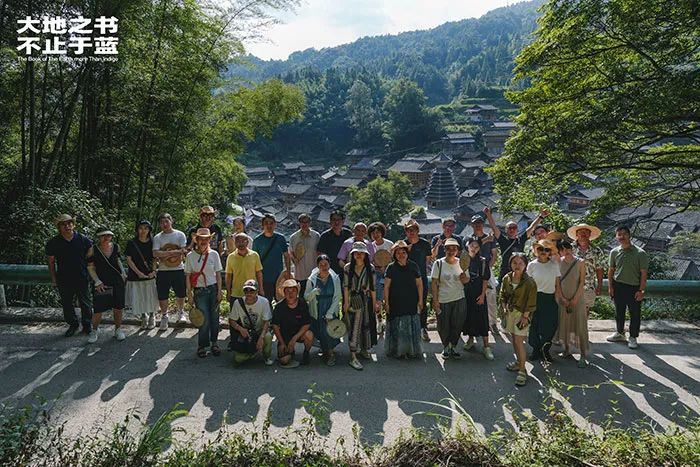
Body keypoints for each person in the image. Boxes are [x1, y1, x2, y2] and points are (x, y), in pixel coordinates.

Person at [46, 214, 94, 337]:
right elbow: (51, 262)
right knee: (67, 303)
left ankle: (87, 325)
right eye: (64, 224)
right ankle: (73, 325)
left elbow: (91, 251)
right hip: (64, 278)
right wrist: (53, 278)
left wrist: (88, 265)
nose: (67, 226)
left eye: (69, 223)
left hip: (81, 276)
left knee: (85, 302)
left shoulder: (83, 239)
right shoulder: (53, 242)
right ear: (59, 227)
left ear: (73, 224)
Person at [607, 225, 649, 349]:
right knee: (619, 312)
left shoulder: (640, 253)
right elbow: (611, 271)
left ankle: (633, 337)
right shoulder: (614, 252)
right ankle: (620, 333)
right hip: (618, 285)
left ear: (629, 235)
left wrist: (641, 290)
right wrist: (610, 287)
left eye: (624, 234)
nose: (622, 237)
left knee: (634, 313)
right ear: (616, 237)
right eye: (619, 234)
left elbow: (643, 273)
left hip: (634, 287)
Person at [483, 207, 549, 284]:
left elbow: (532, 227)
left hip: (520, 273)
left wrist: (541, 216)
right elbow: (494, 227)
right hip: (505, 273)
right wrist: (488, 214)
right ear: (506, 230)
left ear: (517, 230)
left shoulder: (521, 239)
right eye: (509, 228)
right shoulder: (503, 240)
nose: (512, 230)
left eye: (514, 228)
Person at [185, 228, 223, 358]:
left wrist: (220, 291)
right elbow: (188, 276)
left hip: (213, 289)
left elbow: (218, 275)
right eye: (201, 239)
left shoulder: (214, 254)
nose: (203, 241)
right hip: (199, 291)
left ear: (209, 240)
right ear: (196, 240)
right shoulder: (190, 256)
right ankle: (202, 345)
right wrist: (189, 294)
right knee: (203, 319)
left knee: (215, 318)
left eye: (206, 239)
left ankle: (214, 343)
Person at [500, 253, 537, 386]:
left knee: (519, 341)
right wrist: (504, 308)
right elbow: (502, 294)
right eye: (514, 263)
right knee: (514, 340)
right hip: (510, 313)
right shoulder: (507, 278)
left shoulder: (529, 282)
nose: (517, 266)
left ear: (525, 265)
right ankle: (518, 363)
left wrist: (525, 317)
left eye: (520, 263)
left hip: (522, 315)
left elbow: (531, 301)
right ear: (510, 264)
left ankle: (522, 370)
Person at [430, 238, 469, 359]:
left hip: (459, 298)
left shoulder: (462, 262)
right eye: (448, 248)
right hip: (443, 299)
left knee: (457, 324)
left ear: (457, 250)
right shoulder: (439, 263)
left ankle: (454, 346)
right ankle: (446, 347)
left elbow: (466, 280)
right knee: (443, 325)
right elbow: (434, 283)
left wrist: (464, 278)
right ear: (444, 249)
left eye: (454, 249)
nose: (451, 251)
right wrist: (435, 301)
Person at [86, 227, 127, 343]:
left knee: (118, 307)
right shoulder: (93, 250)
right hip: (101, 282)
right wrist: (97, 281)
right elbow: (90, 267)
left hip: (117, 280)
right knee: (98, 309)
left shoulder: (116, 247)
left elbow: (118, 261)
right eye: (103, 236)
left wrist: (123, 273)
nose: (106, 238)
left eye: (108, 235)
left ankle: (118, 329)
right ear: (98, 237)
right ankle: (94, 330)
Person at [343, 242, 379, 370]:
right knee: (354, 327)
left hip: (366, 299)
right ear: (352, 254)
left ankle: (364, 349)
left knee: (366, 325)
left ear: (365, 254)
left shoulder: (371, 267)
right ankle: (353, 355)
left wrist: (375, 304)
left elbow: (373, 287)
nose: (359, 255)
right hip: (353, 299)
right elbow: (346, 287)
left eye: (361, 253)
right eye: (356, 253)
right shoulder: (347, 268)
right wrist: (346, 303)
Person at [384, 241, 423, 359]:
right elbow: (386, 286)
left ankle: (411, 351)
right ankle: (397, 351)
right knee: (396, 325)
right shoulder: (391, 267)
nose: (401, 255)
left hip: (411, 300)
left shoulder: (413, 266)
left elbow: (419, 284)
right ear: (395, 255)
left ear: (407, 253)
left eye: (403, 252)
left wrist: (420, 300)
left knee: (411, 325)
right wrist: (387, 302)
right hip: (395, 301)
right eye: (398, 253)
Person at [526, 239, 563, 362]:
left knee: (550, 326)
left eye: (546, 250)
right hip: (534, 297)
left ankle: (545, 350)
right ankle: (536, 350)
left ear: (550, 252)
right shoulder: (531, 265)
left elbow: (557, 285)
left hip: (550, 298)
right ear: (536, 250)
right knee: (534, 326)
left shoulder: (554, 265)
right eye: (540, 249)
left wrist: (558, 300)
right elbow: (528, 285)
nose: (543, 252)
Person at [304, 255, 342, 366]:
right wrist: (313, 293)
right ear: (318, 266)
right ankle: (325, 350)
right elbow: (306, 297)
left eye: (326, 264)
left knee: (328, 331)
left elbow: (337, 296)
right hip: (317, 309)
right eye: (321, 265)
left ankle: (329, 354)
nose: (324, 266)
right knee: (321, 331)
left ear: (329, 265)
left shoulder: (335, 278)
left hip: (330, 308)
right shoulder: (312, 279)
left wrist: (330, 312)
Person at [152, 213, 188, 330]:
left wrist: (165, 255)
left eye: (167, 221)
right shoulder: (157, 237)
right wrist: (174, 252)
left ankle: (181, 312)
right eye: (162, 222)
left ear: (171, 221)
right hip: (163, 270)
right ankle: (164, 316)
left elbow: (183, 250)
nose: (165, 224)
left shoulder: (179, 235)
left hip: (178, 269)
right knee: (163, 295)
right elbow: (155, 253)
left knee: (180, 293)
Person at [557, 240, 589, 367]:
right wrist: (562, 298)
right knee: (565, 324)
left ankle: (583, 354)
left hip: (578, 298)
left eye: (568, 248)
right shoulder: (558, 262)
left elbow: (582, 282)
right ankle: (567, 350)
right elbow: (557, 282)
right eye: (563, 249)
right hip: (563, 298)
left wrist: (576, 298)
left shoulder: (580, 262)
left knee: (579, 324)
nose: (567, 251)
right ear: (560, 252)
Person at [228, 279, 273, 366]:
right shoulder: (238, 303)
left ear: (257, 291)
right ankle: (253, 353)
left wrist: (261, 337)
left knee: (268, 336)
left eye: (252, 290)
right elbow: (231, 320)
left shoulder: (264, 302)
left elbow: (266, 321)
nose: (249, 293)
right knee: (238, 359)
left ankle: (266, 356)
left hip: (260, 330)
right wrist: (240, 328)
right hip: (246, 333)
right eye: (246, 290)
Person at [462, 237, 493, 360]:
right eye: (471, 246)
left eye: (476, 247)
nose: (474, 249)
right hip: (466, 292)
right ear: (467, 246)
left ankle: (486, 346)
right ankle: (470, 340)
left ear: (479, 248)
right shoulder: (463, 260)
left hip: (479, 292)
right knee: (468, 317)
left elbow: (485, 279)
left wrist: (482, 295)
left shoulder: (482, 261)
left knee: (482, 318)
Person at [271, 279, 314, 368]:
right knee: (284, 361)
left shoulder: (302, 303)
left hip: (299, 334)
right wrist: (282, 342)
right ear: (284, 293)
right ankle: (289, 351)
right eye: (288, 291)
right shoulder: (279, 306)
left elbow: (307, 324)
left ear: (297, 292)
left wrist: (294, 339)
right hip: (285, 336)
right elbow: (275, 325)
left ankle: (306, 353)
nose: (291, 294)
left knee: (309, 335)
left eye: (293, 291)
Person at [125, 220, 158, 330]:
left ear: (149, 230)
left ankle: (152, 316)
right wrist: (139, 273)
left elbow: (155, 258)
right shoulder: (131, 243)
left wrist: (154, 270)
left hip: (149, 274)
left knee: (151, 296)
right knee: (140, 297)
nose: (143, 231)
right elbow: (129, 260)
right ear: (137, 229)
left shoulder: (153, 242)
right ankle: (144, 316)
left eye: (146, 228)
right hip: (135, 275)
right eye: (141, 228)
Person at [469, 214, 499, 333]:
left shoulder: (490, 237)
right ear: (472, 225)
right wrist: (485, 240)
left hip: (487, 268)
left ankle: (493, 322)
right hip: (473, 271)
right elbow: (470, 251)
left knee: (491, 295)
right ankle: (476, 323)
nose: (478, 225)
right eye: (475, 223)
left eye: (480, 223)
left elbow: (494, 255)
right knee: (475, 296)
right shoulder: (469, 238)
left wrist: (487, 268)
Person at [403, 219, 432, 342]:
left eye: (413, 230)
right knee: (408, 303)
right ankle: (409, 328)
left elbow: (428, 260)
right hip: (406, 279)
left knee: (422, 303)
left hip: (421, 278)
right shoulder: (403, 244)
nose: (411, 233)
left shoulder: (425, 244)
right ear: (406, 232)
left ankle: (423, 328)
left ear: (417, 231)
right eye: (409, 230)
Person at [567, 223, 605, 314]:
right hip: (571, 285)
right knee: (570, 310)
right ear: (576, 234)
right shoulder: (569, 248)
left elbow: (599, 268)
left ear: (589, 234)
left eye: (586, 232)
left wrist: (599, 285)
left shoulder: (596, 250)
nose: (583, 234)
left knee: (585, 311)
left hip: (588, 285)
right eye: (580, 232)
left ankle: (583, 328)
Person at [252, 214, 290, 302]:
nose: (269, 225)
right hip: (264, 278)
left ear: (275, 224)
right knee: (266, 303)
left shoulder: (280, 238)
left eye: (271, 223)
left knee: (281, 302)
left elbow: (286, 256)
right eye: (266, 223)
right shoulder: (257, 240)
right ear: (262, 225)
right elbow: (255, 260)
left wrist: (288, 272)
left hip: (279, 277)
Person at [369, 221, 393, 334]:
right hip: (376, 274)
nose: (375, 235)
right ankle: (379, 321)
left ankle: (389, 322)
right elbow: (370, 262)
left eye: (378, 232)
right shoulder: (370, 246)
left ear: (382, 232)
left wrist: (386, 268)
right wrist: (378, 268)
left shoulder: (389, 244)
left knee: (389, 299)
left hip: (389, 274)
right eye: (373, 233)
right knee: (377, 299)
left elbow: (394, 259)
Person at [226, 232, 264, 304]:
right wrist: (228, 292)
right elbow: (228, 275)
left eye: (243, 241)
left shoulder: (254, 255)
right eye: (238, 241)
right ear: (235, 243)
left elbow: (259, 273)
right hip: (236, 293)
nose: (241, 243)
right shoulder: (231, 257)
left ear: (247, 242)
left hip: (252, 292)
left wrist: (261, 289)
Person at [289, 213, 321, 296]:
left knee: (314, 296)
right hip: (300, 273)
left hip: (314, 272)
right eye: (302, 222)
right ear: (299, 223)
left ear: (309, 223)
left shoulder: (316, 236)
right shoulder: (294, 237)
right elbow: (291, 252)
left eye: (306, 222)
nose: (304, 224)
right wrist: (294, 259)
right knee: (301, 296)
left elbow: (319, 253)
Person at [318, 210, 353, 275]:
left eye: (338, 219)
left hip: (346, 269)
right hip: (330, 270)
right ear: (330, 221)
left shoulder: (348, 234)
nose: (336, 222)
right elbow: (320, 254)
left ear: (343, 221)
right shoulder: (325, 236)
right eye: (334, 219)